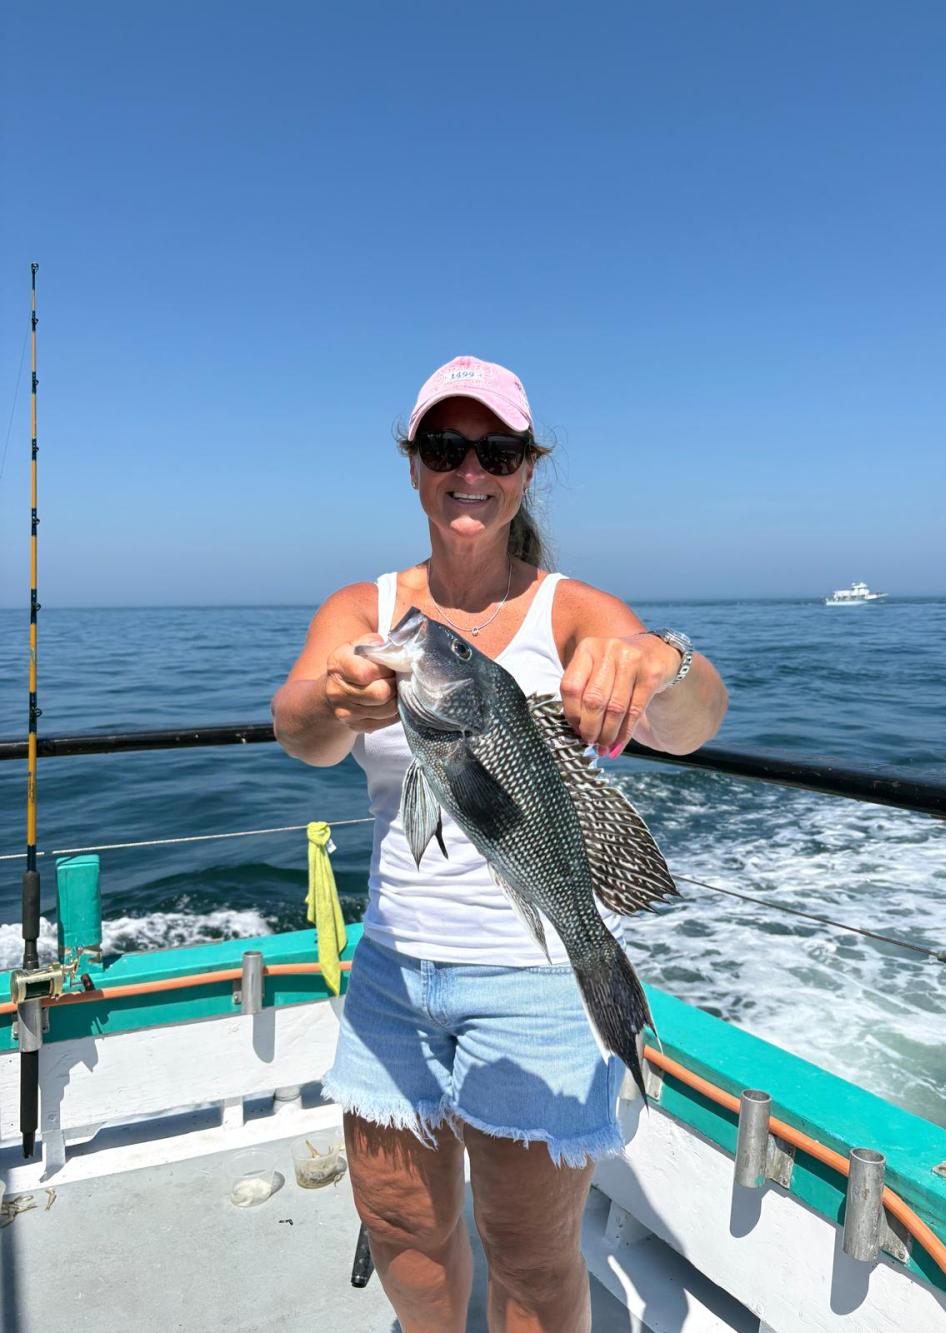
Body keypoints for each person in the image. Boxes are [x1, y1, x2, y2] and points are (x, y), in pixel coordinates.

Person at [272, 355, 728, 1333]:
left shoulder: (572, 610)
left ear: (526, 469)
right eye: (445, 447)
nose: (469, 469)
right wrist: (333, 702)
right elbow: (299, 730)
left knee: (527, 1248)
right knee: (399, 1223)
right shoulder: (366, 610)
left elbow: (692, 725)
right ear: (414, 465)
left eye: (497, 451)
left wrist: (662, 661)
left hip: (541, 982)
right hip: (391, 973)